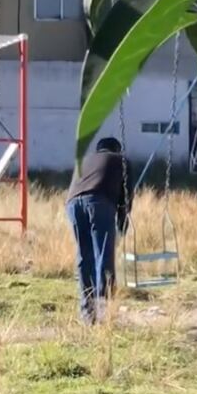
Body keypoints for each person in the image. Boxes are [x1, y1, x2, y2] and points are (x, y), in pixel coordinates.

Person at [66, 137, 133, 324]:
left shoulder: (85, 160)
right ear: (117, 150)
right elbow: (126, 199)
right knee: (103, 255)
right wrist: (121, 227)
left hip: (72, 203)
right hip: (99, 202)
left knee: (84, 256)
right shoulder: (121, 160)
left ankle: (87, 313)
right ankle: (105, 311)